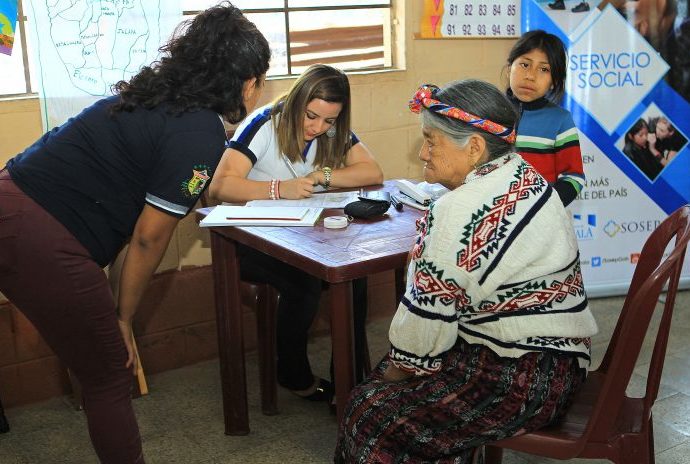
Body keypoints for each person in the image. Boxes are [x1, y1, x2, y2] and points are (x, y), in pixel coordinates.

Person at [0, 4, 270, 463]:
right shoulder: (200, 130)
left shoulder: (146, 95)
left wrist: (113, 307)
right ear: (246, 82)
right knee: (109, 376)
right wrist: (122, 321)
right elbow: (148, 238)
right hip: (43, 238)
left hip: (9, 199)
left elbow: (130, 234)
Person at [335, 80, 598, 463]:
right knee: (394, 380)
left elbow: (421, 332)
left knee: (369, 409)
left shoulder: (457, 211)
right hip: (559, 364)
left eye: (431, 140)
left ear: (474, 147)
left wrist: (391, 378)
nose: (422, 153)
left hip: (520, 378)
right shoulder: (524, 176)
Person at [208, 64, 383, 402]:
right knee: (302, 282)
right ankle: (293, 374)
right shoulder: (263, 123)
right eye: (311, 116)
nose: (318, 128)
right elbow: (220, 186)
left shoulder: (331, 129)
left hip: (302, 235)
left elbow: (371, 171)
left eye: (329, 121)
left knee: (354, 276)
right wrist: (278, 189)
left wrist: (323, 177)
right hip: (251, 242)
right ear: (297, 102)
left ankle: (346, 385)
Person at [506, 29, 585, 207]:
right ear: (510, 66)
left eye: (544, 69)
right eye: (525, 65)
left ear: (554, 81)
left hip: (541, 222)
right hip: (494, 223)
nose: (530, 76)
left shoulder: (560, 120)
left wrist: (544, 207)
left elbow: (573, 178)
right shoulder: (488, 111)